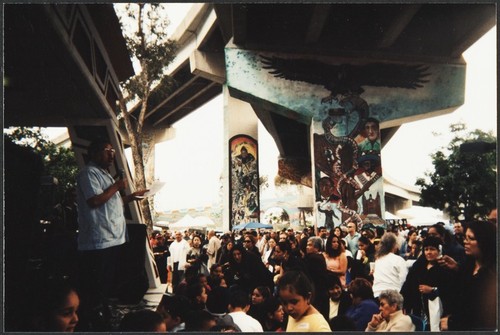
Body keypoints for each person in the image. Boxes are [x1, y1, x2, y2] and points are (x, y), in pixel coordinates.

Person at [76, 139, 147, 330]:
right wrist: (116, 186)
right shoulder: (88, 173)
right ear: (95, 153)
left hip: (112, 238)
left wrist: (131, 197)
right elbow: (94, 201)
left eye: (113, 152)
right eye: (108, 151)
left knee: (107, 282)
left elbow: (111, 202)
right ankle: (93, 318)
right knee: (97, 284)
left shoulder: (104, 174)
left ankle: (104, 311)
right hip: (99, 240)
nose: (112, 155)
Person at [440, 220, 497, 331]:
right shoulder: (468, 265)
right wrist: (457, 268)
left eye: (471, 239)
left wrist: (452, 322)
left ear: (485, 242)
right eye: (465, 238)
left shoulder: (492, 274)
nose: (465, 242)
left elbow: (484, 316)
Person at [400, 236, 456, 331]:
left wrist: (433, 290)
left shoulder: (445, 268)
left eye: (432, 249)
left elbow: (452, 290)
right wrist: (404, 303)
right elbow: (408, 284)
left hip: (438, 311)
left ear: (439, 250)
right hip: (419, 310)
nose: (428, 252)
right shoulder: (418, 266)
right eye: (426, 249)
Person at [372, 232, 408, 298]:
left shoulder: (378, 260)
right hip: (393, 295)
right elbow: (404, 279)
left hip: (377, 294)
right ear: (394, 245)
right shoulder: (398, 260)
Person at [304, 236, 330, 319]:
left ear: (316, 248)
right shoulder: (318, 257)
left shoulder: (313, 258)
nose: (307, 247)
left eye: (310, 245)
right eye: (307, 245)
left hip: (317, 293)